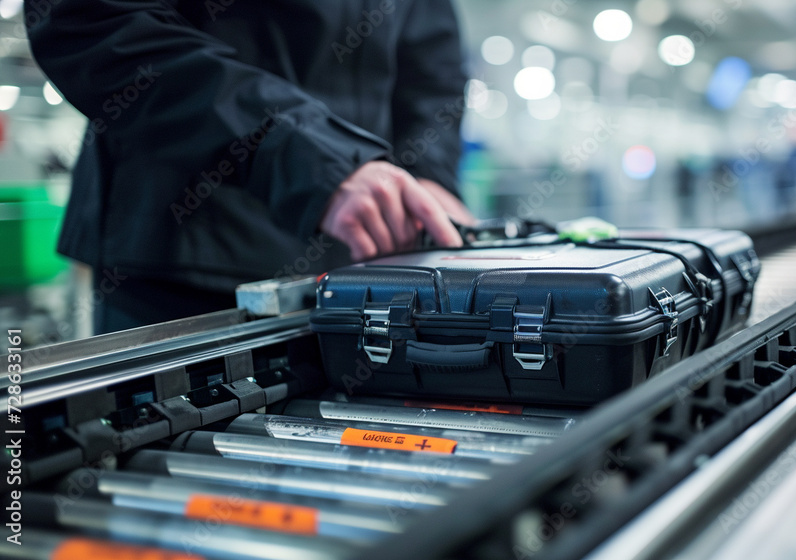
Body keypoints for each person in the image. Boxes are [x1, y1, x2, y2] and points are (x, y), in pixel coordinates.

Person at [24, 0, 474, 333]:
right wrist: (312, 158)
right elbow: (93, 22)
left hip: (351, 269)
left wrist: (426, 175)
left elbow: (431, 62)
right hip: (180, 259)